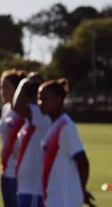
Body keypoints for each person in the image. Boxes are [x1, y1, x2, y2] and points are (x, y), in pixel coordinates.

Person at [39, 79, 95, 207]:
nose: (40, 103)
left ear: (58, 100)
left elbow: (83, 161)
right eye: (39, 98)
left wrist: (81, 190)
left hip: (64, 200)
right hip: (53, 198)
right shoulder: (54, 125)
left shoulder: (65, 127)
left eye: (44, 99)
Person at [12, 73, 50, 207]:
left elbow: (17, 105)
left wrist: (23, 82)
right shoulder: (32, 119)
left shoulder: (41, 114)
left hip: (35, 189)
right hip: (26, 187)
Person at [0, 69, 26, 207]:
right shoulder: (5, 109)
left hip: (19, 175)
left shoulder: (24, 112)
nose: (2, 91)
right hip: (5, 172)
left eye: (6, 87)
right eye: (1, 87)